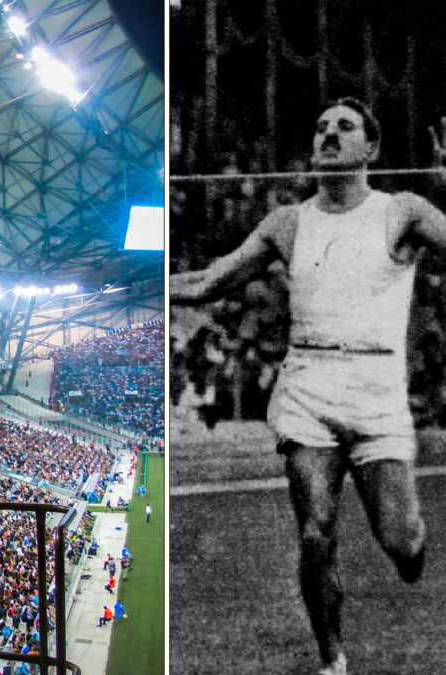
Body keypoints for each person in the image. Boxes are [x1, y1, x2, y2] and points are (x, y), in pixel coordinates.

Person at [171, 97, 446, 675]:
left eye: (343, 128)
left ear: (370, 149)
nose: (328, 135)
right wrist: (136, 281)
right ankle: (332, 661)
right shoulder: (288, 222)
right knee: (316, 530)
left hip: (377, 395)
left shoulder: (405, 212)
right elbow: (205, 284)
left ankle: (409, 551)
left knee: (403, 544)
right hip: (308, 389)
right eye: (320, 127)